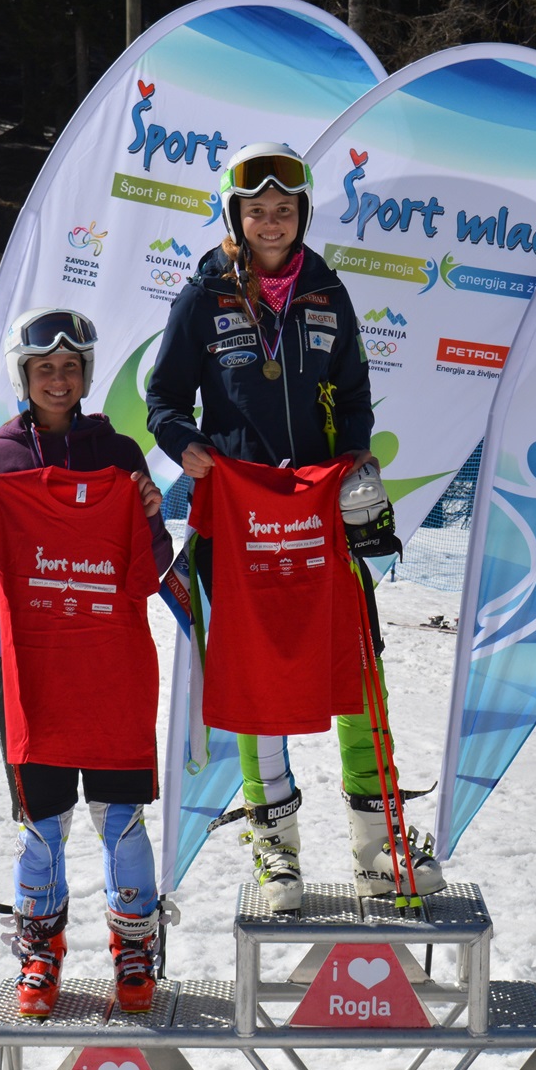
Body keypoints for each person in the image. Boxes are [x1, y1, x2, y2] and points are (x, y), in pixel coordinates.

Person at [145, 142, 444, 912]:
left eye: (284, 210)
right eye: (257, 211)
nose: (271, 222)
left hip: (318, 516)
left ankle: (377, 845)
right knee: (256, 677)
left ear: (301, 215)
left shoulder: (326, 292)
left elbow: (353, 394)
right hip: (242, 519)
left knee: (353, 659)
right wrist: (188, 448)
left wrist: (356, 465)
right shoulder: (203, 298)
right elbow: (165, 401)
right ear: (234, 216)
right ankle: (275, 850)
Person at [0, 307, 173, 1017]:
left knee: (122, 819)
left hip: (112, 677)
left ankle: (134, 950)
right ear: (24, 374)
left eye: (71, 367)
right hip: (33, 682)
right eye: (45, 368)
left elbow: (152, 572)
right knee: (42, 826)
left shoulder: (119, 456)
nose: (59, 378)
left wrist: (148, 513)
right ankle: (40, 954)